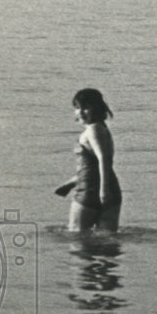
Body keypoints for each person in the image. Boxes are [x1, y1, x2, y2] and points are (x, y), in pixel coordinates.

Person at [55, 88, 121, 233]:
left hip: (90, 191)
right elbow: (94, 165)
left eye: (86, 107)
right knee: (107, 242)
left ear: (96, 108)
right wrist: (70, 183)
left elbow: (103, 158)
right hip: (111, 188)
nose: (81, 112)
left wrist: (102, 191)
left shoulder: (92, 130)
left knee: (76, 238)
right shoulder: (102, 128)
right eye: (78, 108)